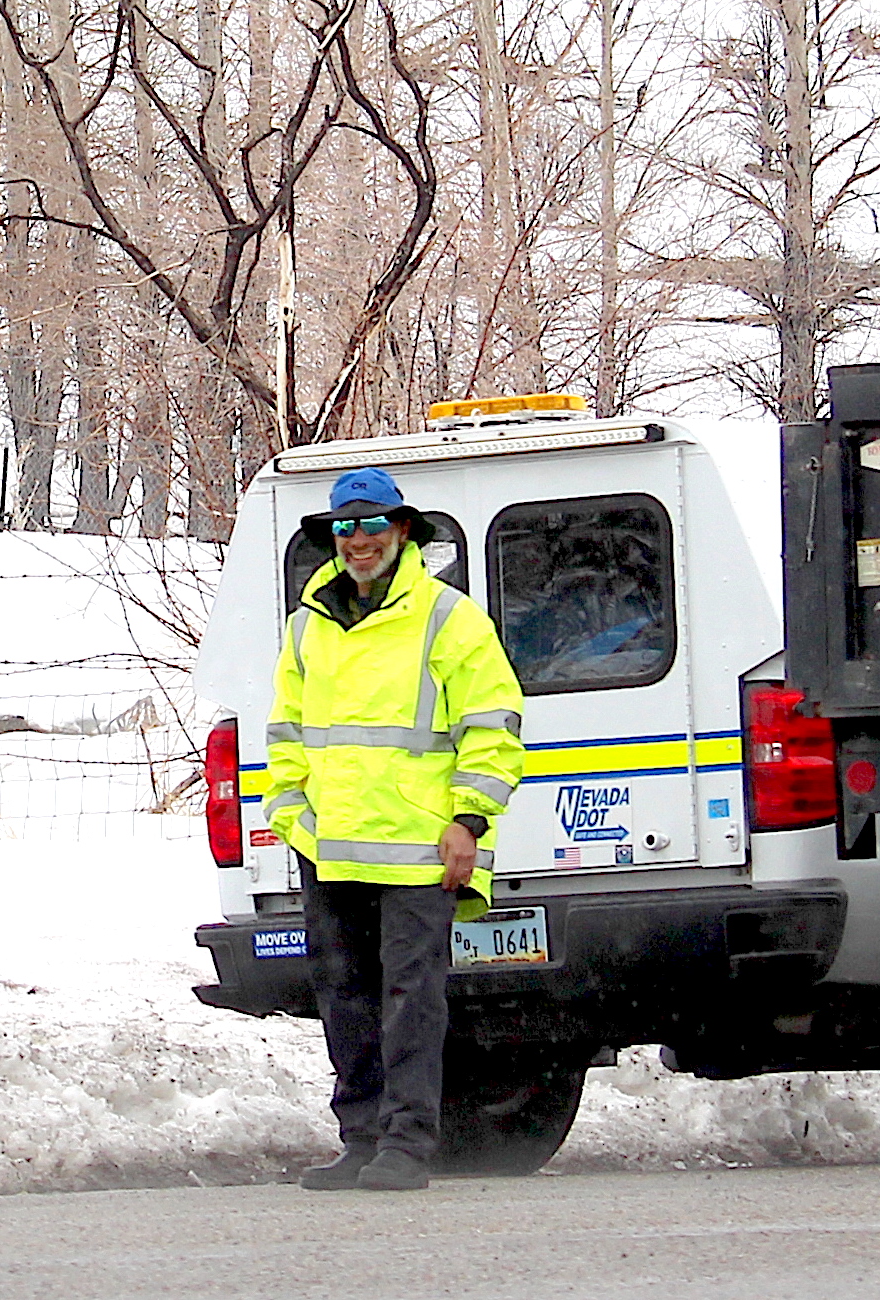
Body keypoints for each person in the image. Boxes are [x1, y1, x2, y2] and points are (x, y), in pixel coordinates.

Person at [265, 467, 526, 1191]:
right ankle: (361, 1140)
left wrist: (468, 821)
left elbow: (494, 728)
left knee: (411, 1002)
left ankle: (408, 1144)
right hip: (330, 846)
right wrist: (290, 812)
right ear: (331, 538)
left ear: (402, 531)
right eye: (345, 527)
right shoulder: (306, 626)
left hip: (419, 850)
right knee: (343, 997)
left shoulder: (449, 618)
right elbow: (285, 728)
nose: (359, 540)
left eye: (373, 524)